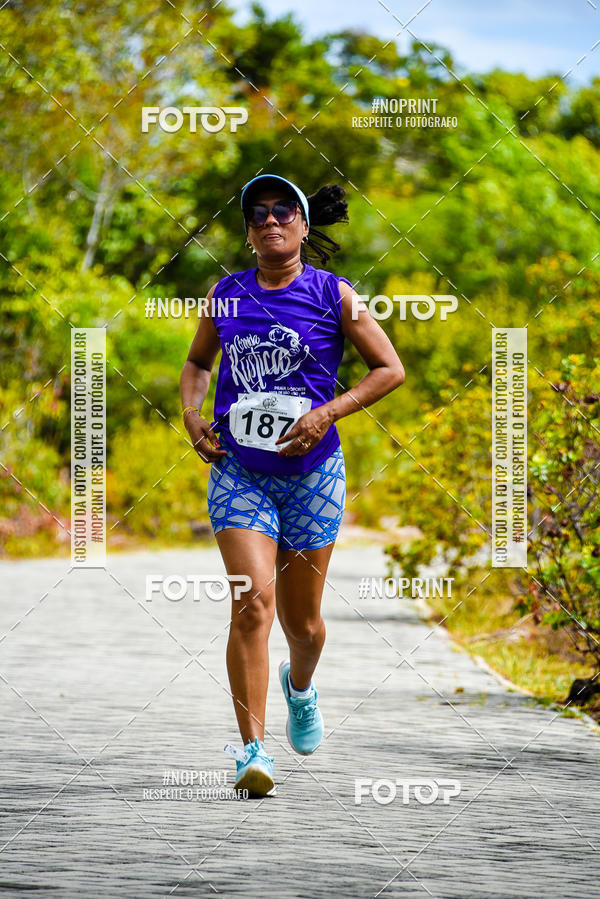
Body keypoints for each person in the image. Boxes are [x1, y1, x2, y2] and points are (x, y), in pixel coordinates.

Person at [180, 174, 404, 797]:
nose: (271, 221)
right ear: (248, 231)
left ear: (305, 227)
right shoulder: (224, 295)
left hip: (313, 477)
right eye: (259, 214)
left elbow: (389, 369)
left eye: (284, 212)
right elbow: (198, 365)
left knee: (302, 625)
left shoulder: (335, 295)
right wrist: (194, 417)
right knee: (253, 602)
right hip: (239, 473)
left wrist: (327, 412)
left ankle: (299, 688)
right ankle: (252, 751)